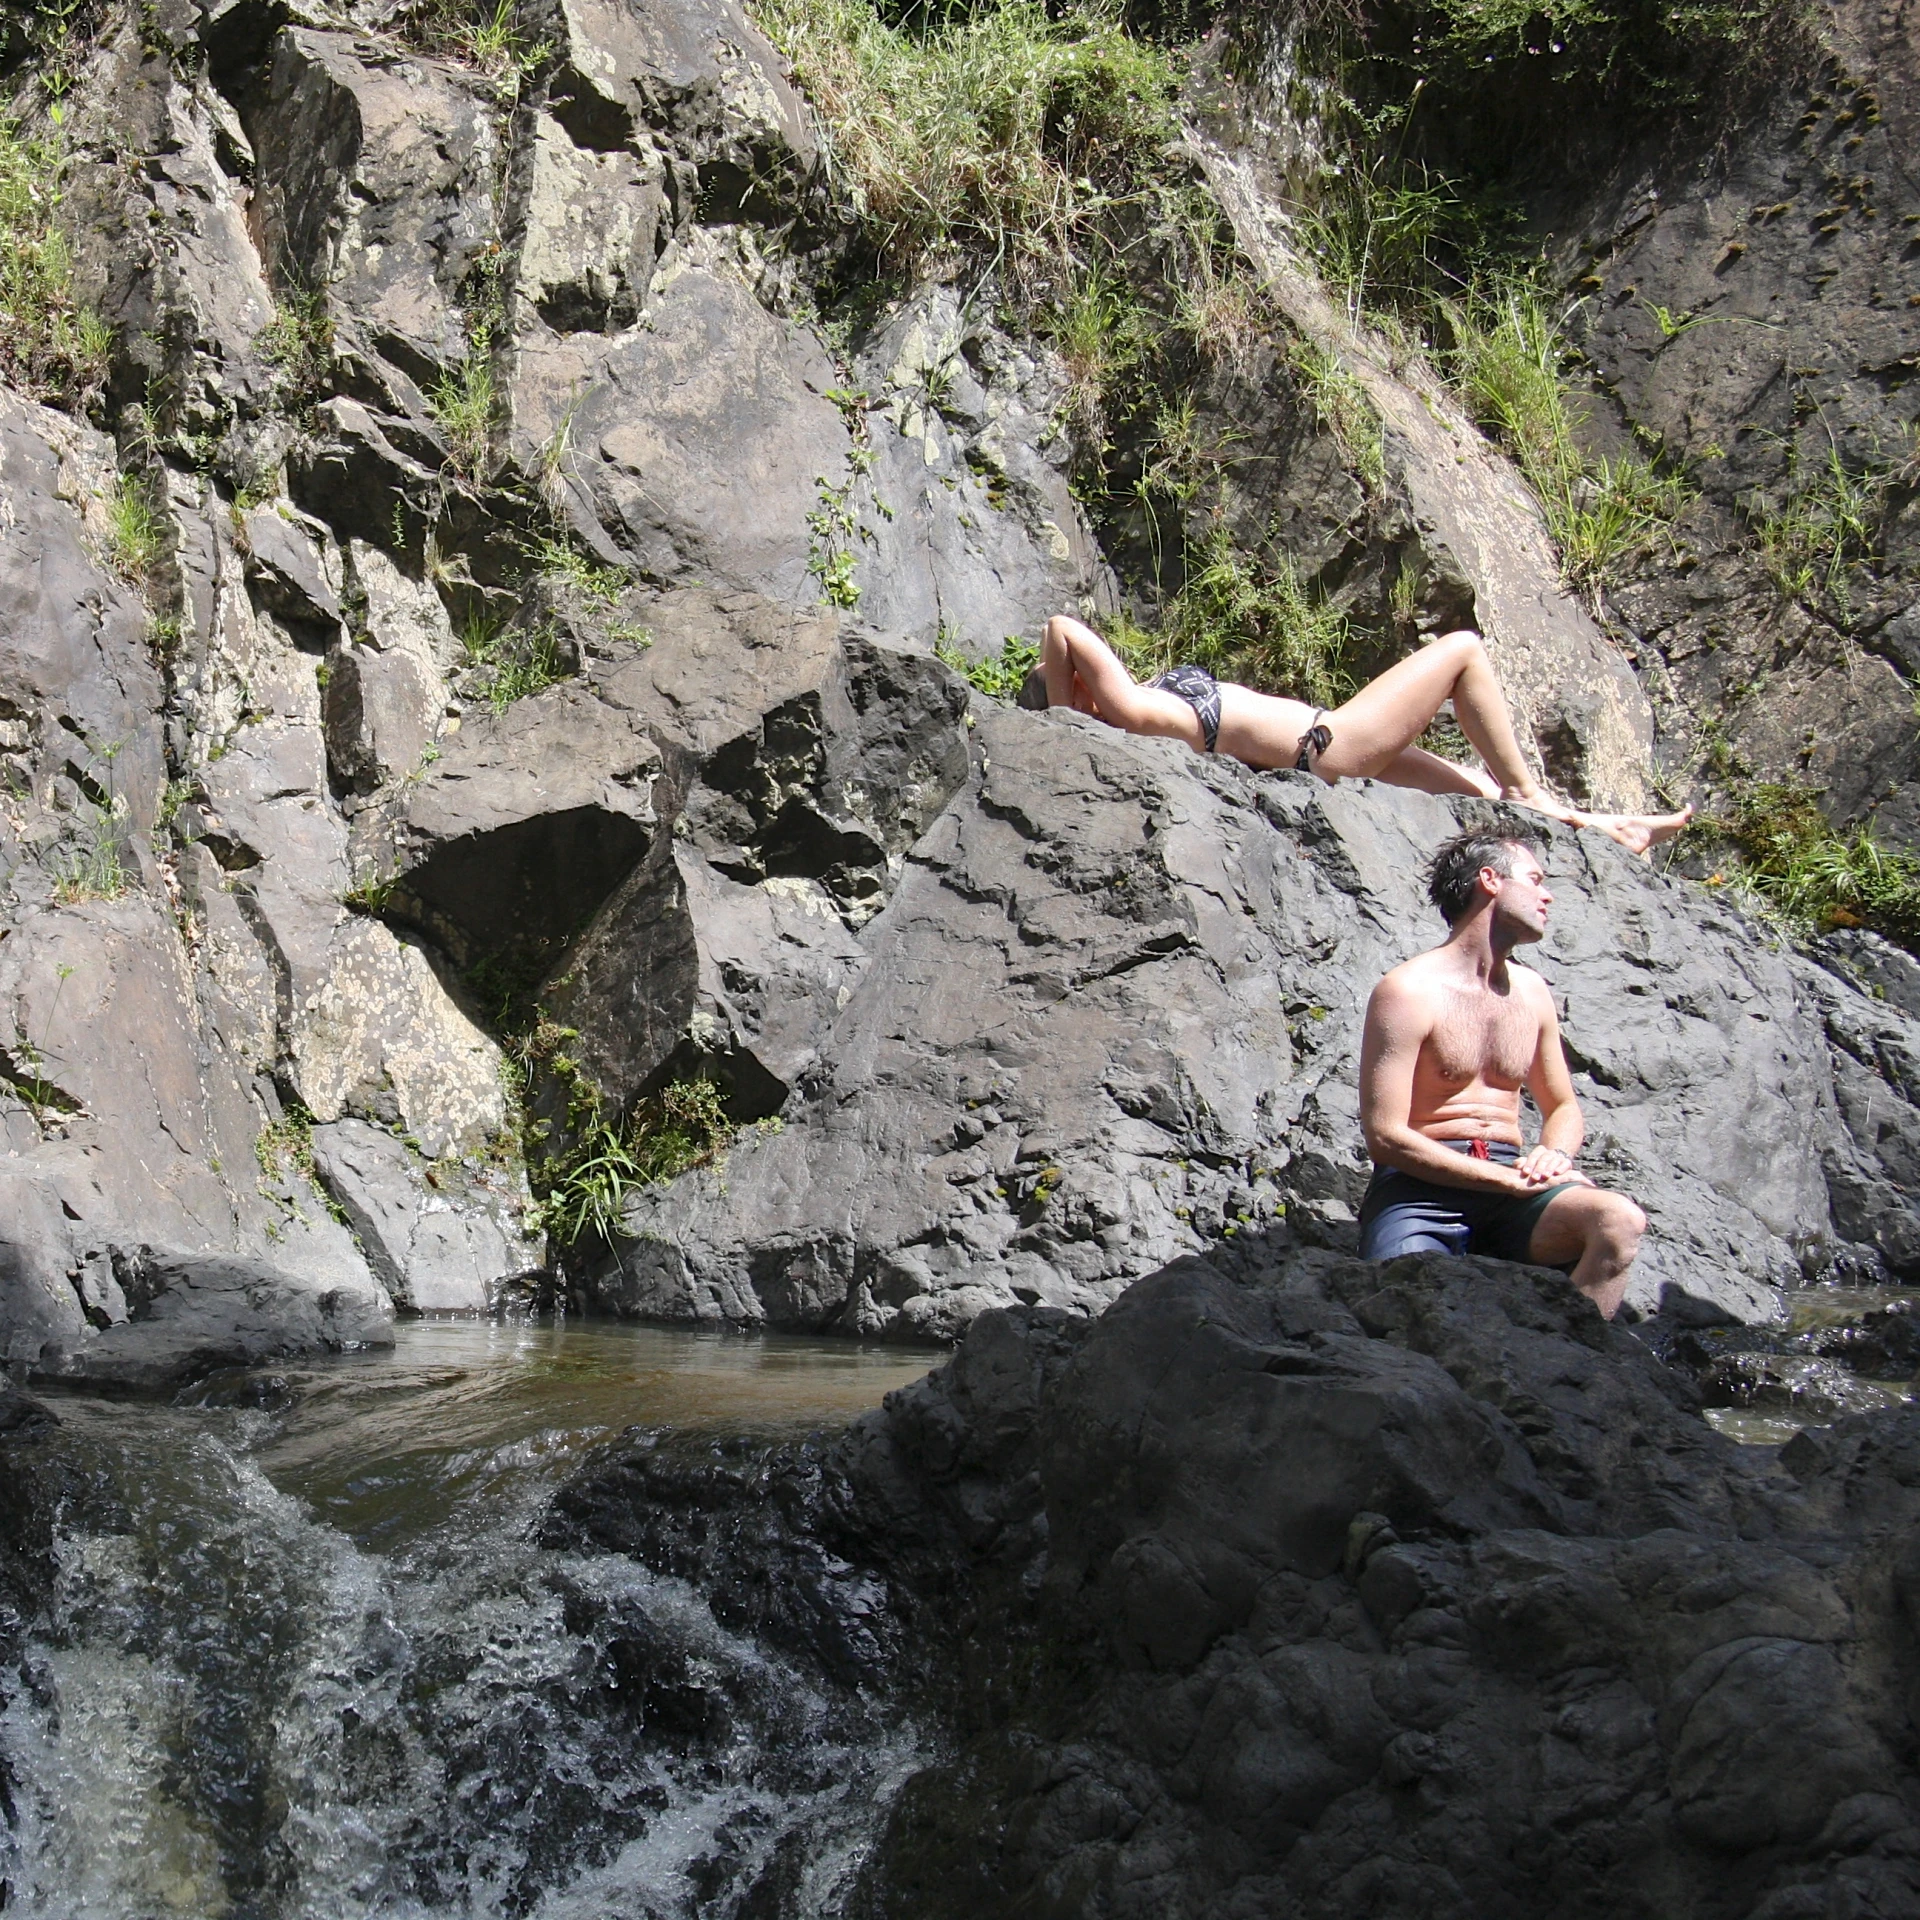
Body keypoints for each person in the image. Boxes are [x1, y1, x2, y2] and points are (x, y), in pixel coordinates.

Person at [1033, 613, 1691, 856]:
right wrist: (1066, 715)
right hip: (1331, 743)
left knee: (1480, 799)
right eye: (1072, 680)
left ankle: (1613, 831)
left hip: (1329, 753)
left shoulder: (1140, 710)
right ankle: (1531, 792)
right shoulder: (1131, 716)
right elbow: (1062, 629)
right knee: (1463, 652)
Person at [1355, 825, 1645, 1318]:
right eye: (1535, 879)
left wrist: (1552, 1155)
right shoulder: (1407, 991)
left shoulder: (1532, 993)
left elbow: (1563, 1107)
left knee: (1618, 1221)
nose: (1547, 895)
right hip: (1423, 1192)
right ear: (1490, 880)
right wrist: (1503, 1180)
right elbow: (1385, 1137)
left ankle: (1580, 1360)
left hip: (1515, 1182)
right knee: (1403, 1307)